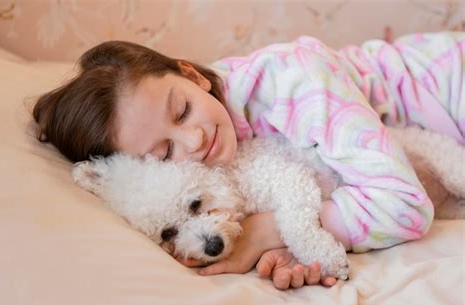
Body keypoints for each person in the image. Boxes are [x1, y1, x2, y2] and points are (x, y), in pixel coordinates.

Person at [32, 31, 464, 290]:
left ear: (193, 75)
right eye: (164, 153)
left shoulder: (295, 82)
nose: (194, 137)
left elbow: (404, 204)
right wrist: (292, 250)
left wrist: (269, 231)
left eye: (182, 110)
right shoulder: (214, 176)